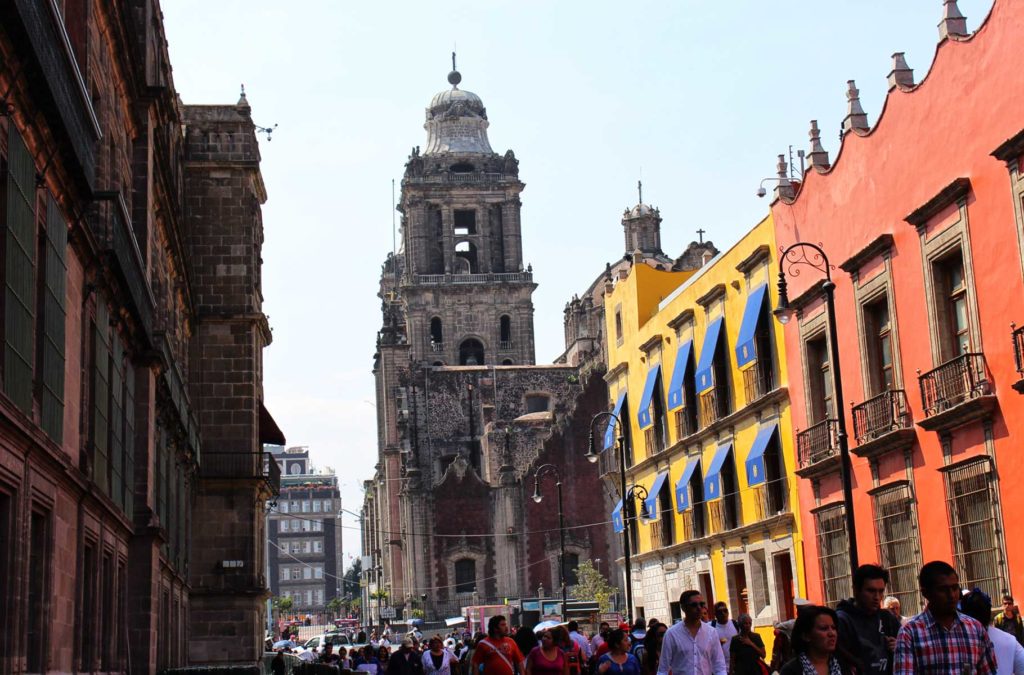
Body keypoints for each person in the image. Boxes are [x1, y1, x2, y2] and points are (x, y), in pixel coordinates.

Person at [893, 560, 997, 674]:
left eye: (954, 588)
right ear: (926, 593)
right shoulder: (909, 633)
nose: (951, 595)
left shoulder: (975, 629)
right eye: (943, 590)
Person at [835, 564, 901, 675]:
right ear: (856, 590)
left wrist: (899, 647)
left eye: (881, 591)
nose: (877, 597)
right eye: (871, 591)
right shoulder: (842, 621)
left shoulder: (887, 618)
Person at [656, 590, 726, 675]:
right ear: (683, 608)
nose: (699, 608)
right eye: (694, 605)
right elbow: (663, 669)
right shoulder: (671, 634)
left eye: (701, 604)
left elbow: (719, 665)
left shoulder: (711, 632)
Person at [961, 588, 1024, 675]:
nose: (1007, 605)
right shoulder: (1008, 638)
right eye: (1005, 603)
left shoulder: (954, 641)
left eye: (1010, 603)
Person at [779, 605, 851, 675]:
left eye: (833, 628)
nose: (832, 633)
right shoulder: (791, 670)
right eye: (824, 628)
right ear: (806, 636)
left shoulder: (842, 666)